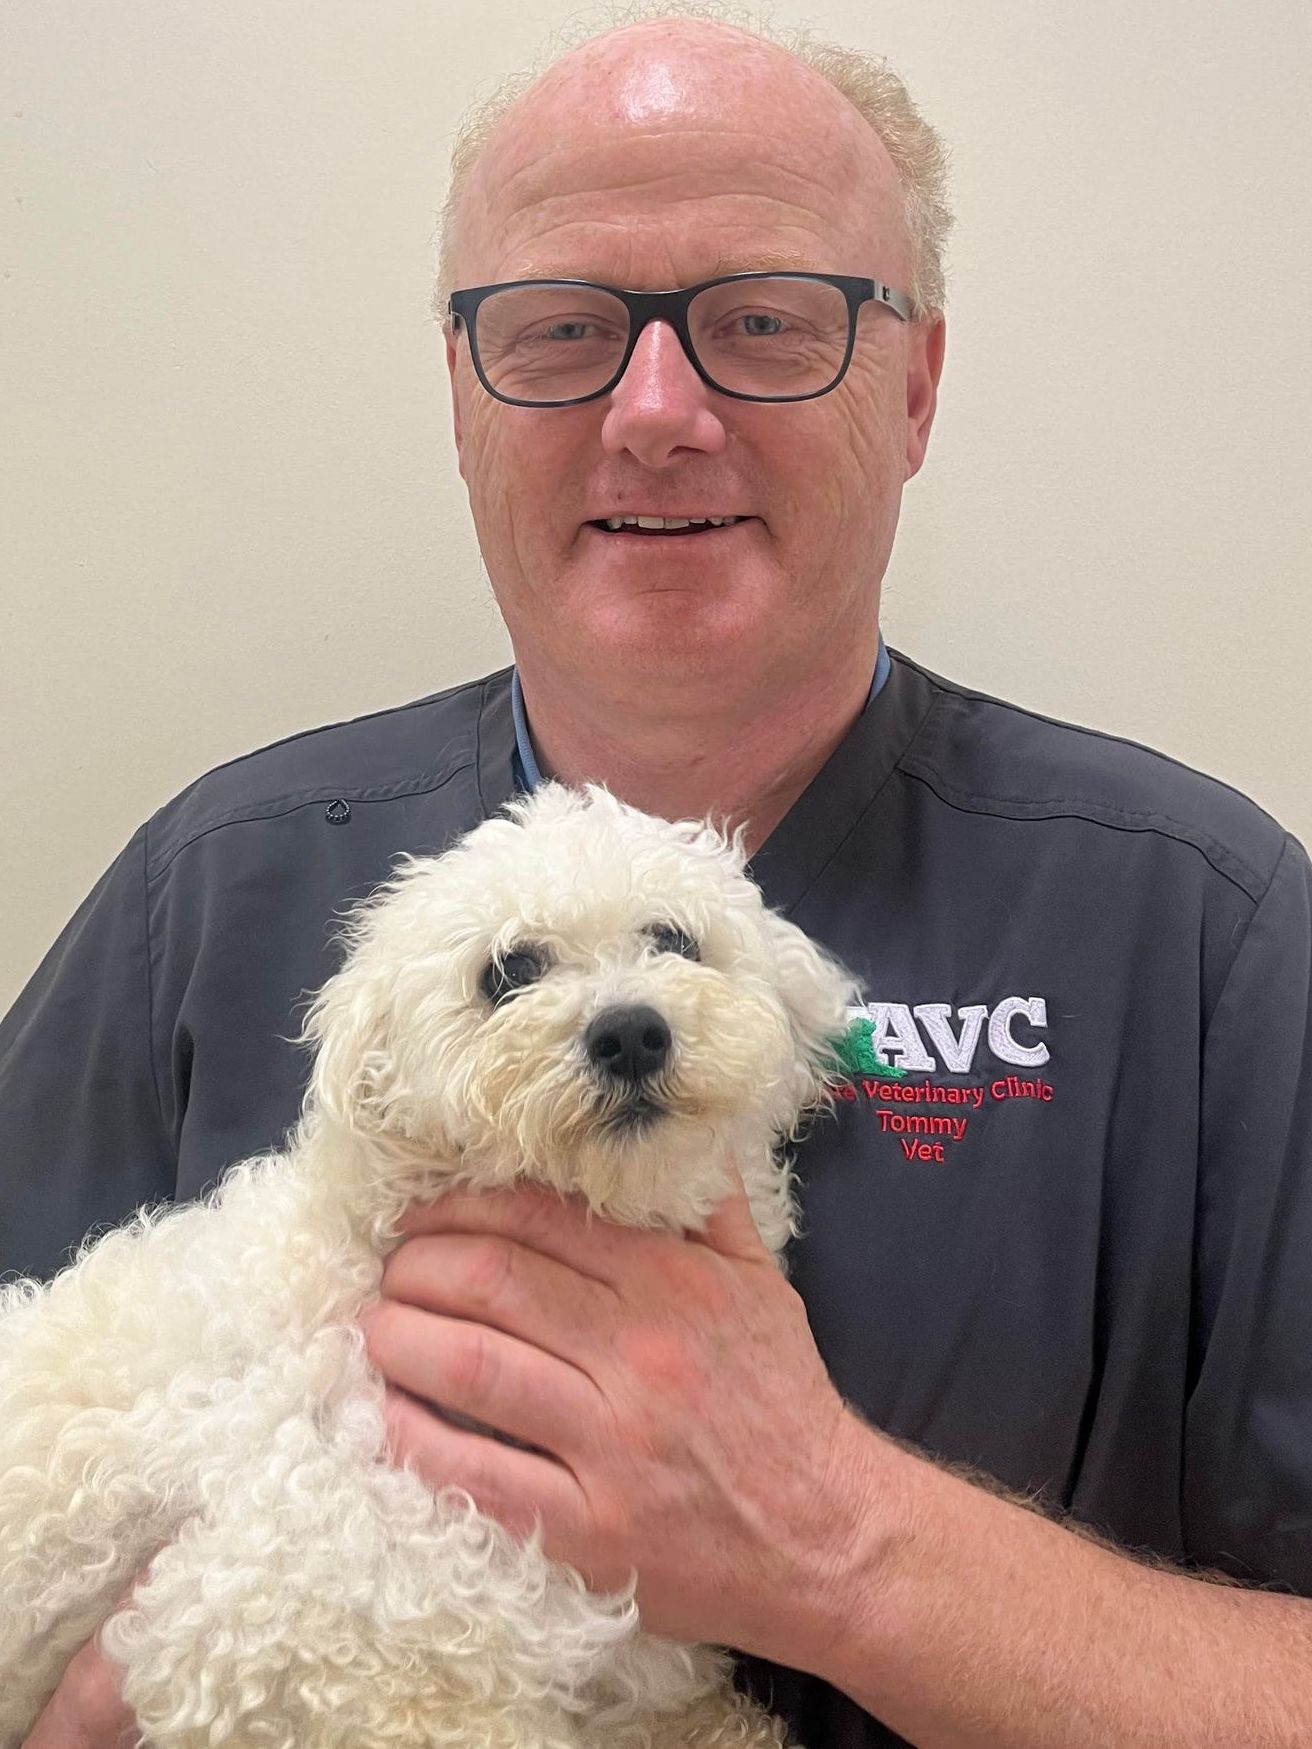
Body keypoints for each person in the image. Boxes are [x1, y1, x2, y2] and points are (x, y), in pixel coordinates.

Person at [4, 12, 1311, 1746]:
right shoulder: (212, 890)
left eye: (765, 323)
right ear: (464, 401)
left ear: (913, 386)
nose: (657, 415)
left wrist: (841, 1541)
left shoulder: (1205, 932)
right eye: (560, 332)